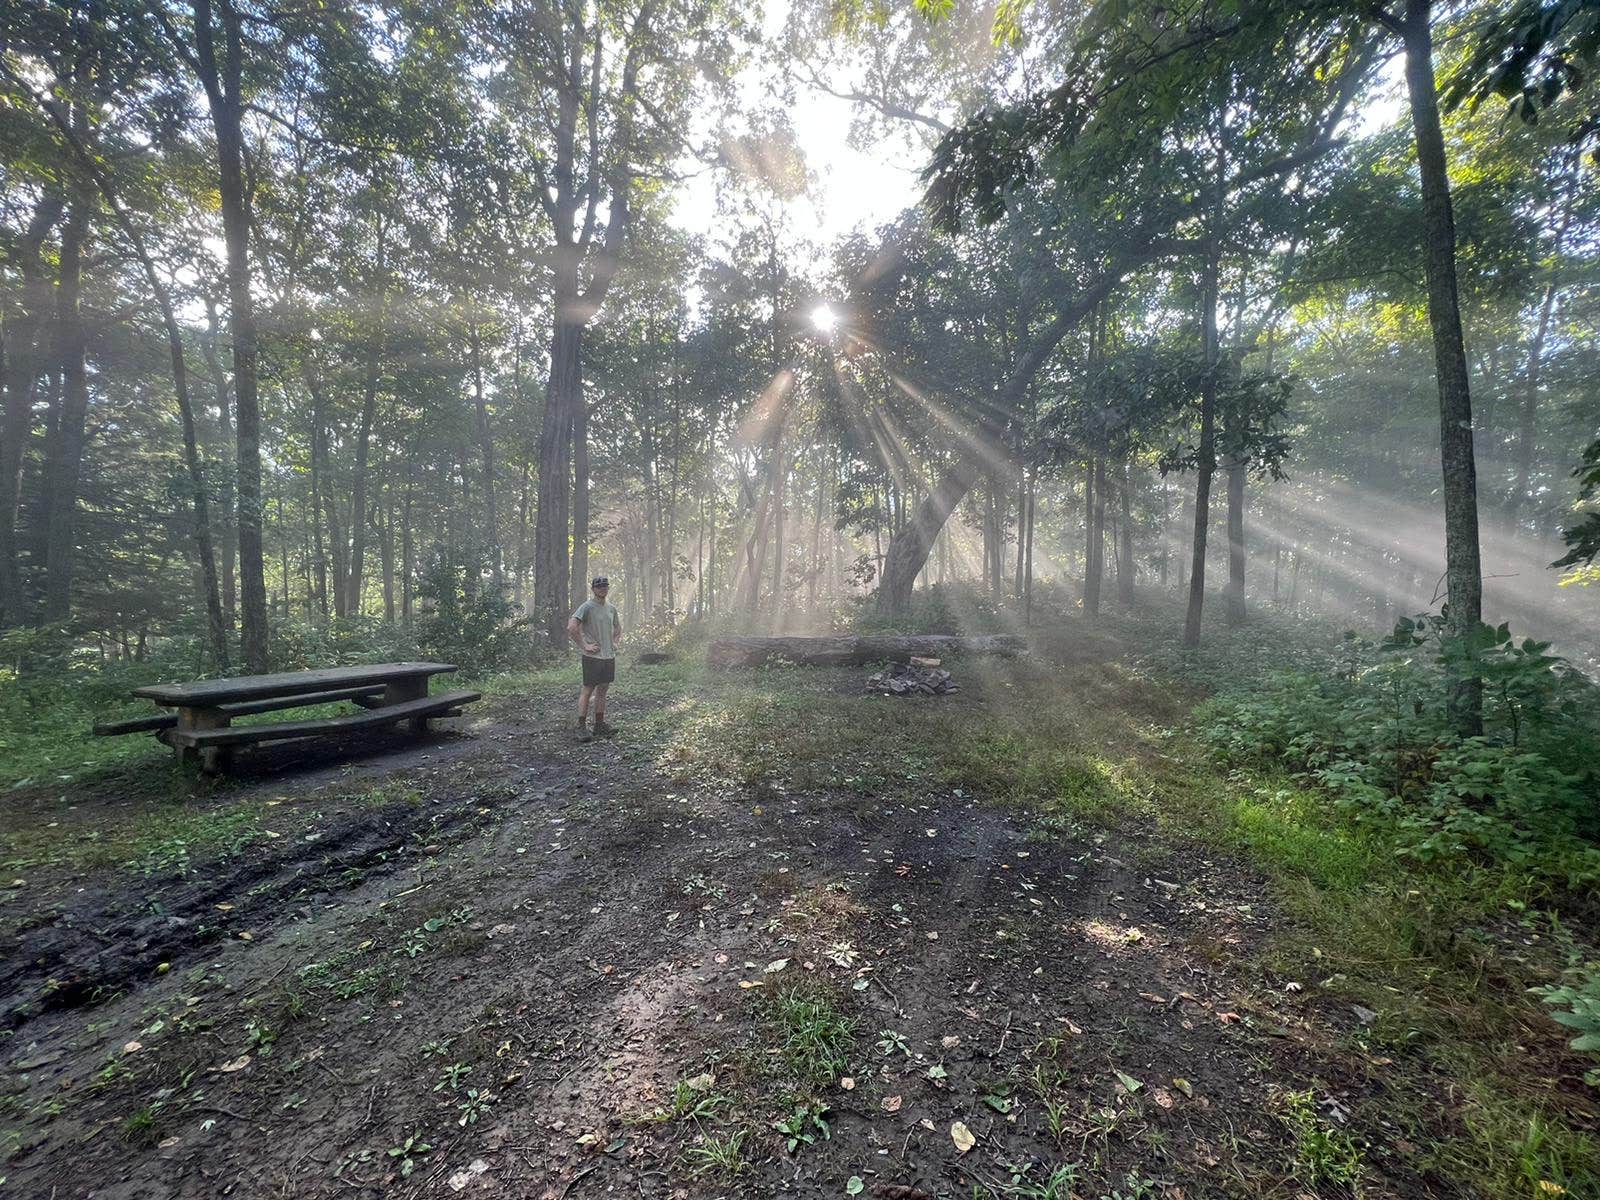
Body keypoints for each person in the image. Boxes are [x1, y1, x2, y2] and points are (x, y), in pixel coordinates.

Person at [567, 576, 622, 742]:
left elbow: (618, 628)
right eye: (599, 586)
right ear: (593, 589)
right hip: (592, 657)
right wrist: (584, 646)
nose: (602, 588)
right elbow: (571, 627)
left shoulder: (611, 608)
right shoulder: (587, 607)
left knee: (603, 689)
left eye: (605, 586)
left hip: (608, 656)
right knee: (588, 690)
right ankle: (581, 727)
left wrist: (614, 642)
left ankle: (599, 724)